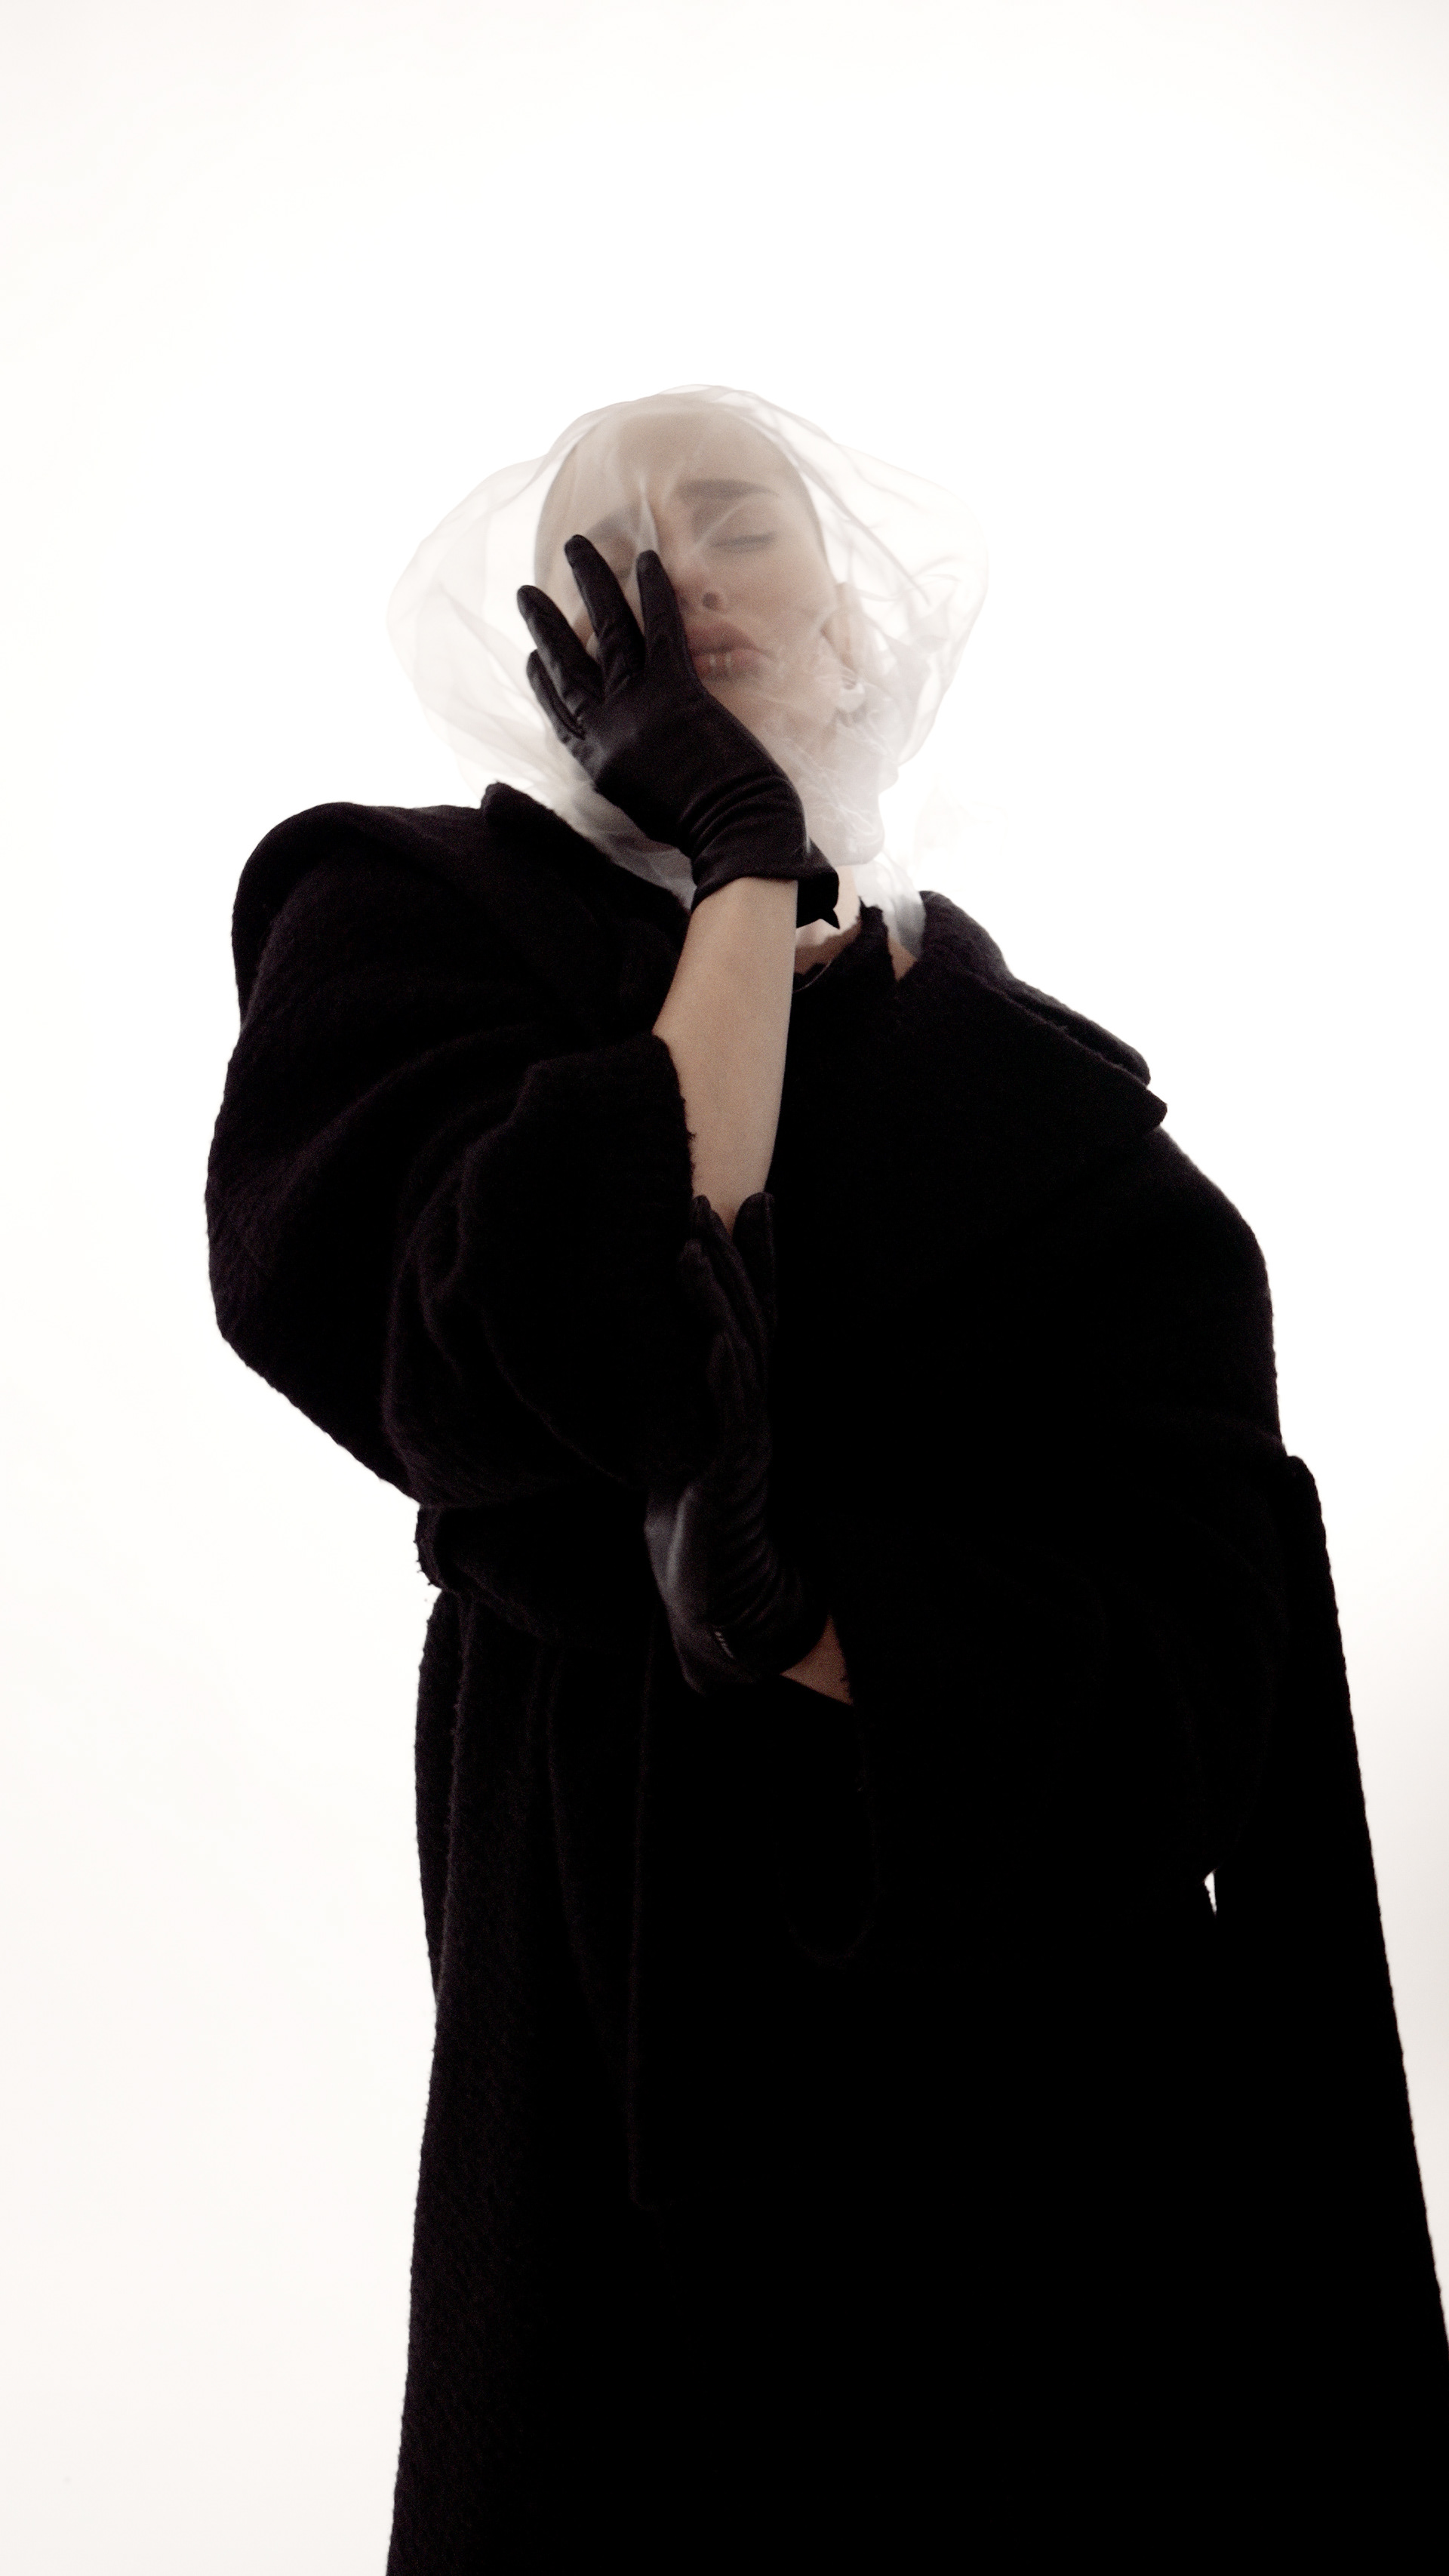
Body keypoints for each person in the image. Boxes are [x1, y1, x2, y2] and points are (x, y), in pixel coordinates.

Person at [207, 386, 1447, 2565]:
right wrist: (737, 850)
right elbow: (566, 1324)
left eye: (731, 523)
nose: (673, 578)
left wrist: (818, 1621)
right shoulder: (407, 933)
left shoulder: (1088, 1150)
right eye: (604, 559)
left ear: (855, 614)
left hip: (1051, 2112)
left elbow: (1202, 1675)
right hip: (624, 2073)